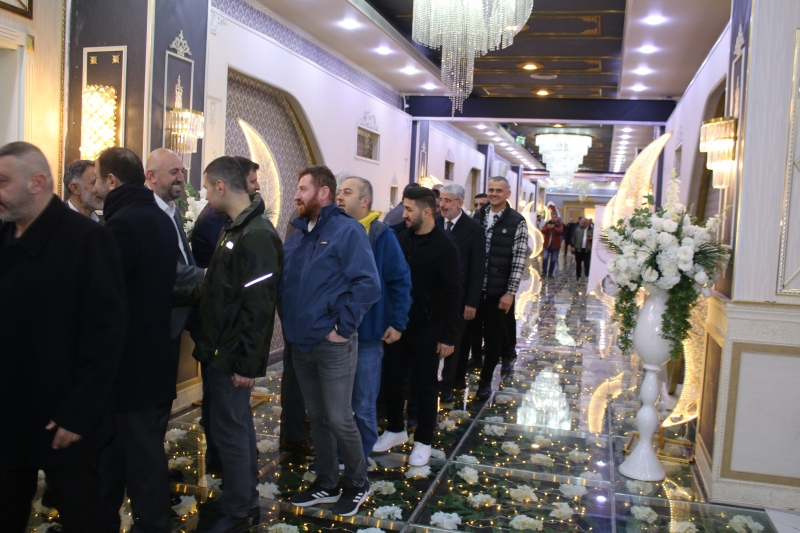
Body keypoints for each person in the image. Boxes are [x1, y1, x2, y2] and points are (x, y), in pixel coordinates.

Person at [0, 142, 126, 533]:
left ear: (36, 182)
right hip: (10, 411)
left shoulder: (86, 239)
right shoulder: (4, 236)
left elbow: (106, 334)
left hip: (66, 417)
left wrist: (80, 411)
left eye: (3, 182)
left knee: (84, 516)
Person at [175, 156, 283, 532]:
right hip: (219, 347)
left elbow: (259, 309)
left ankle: (241, 508)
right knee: (229, 426)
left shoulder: (258, 235)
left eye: (207, 188)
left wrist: (247, 366)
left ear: (221, 186)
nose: (205, 195)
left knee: (231, 429)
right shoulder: (235, 227)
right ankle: (241, 498)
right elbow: (217, 287)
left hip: (231, 354)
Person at [282, 166, 380, 516]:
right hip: (301, 343)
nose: (296, 195)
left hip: (333, 343)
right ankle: (326, 481)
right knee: (318, 417)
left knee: (340, 418)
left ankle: (357, 482)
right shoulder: (297, 233)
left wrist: (342, 327)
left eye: (302, 188)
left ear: (323, 193)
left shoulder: (346, 230)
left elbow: (368, 284)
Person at [94, 147, 178, 533]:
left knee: (141, 459)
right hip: (153, 352)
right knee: (120, 452)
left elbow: (104, 296)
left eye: (97, 180)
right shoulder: (158, 218)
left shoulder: (124, 224)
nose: (95, 188)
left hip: (129, 360)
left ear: (112, 181)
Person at [373, 186, 461, 466]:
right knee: (392, 379)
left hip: (429, 327)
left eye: (409, 209)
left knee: (425, 386)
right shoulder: (400, 238)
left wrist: (448, 336)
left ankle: (423, 440)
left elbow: (454, 294)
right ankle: (394, 429)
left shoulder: (446, 246)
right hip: (399, 323)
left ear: (427, 212)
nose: (404, 214)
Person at [335, 175, 412, 461]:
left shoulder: (381, 235)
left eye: (347, 192)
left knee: (363, 403)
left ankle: (359, 460)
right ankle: (338, 456)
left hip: (367, 334)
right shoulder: (333, 229)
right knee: (336, 403)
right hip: (334, 333)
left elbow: (400, 280)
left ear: (365, 201)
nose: (340, 197)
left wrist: (398, 322)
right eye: (339, 192)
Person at [474, 177, 528, 400]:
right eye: (491, 190)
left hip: (498, 291)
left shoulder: (517, 221)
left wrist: (510, 292)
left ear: (507, 194)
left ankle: (485, 381)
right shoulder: (478, 216)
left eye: (498, 190)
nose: (494, 194)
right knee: (470, 335)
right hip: (475, 289)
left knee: (493, 337)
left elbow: (518, 260)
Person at [436, 183, 486, 402]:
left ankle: (448, 384)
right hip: (435, 297)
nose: (442, 204)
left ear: (459, 203)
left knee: (453, 344)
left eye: (447, 201)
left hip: (460, 298)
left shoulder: (474, 229)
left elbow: (477, 269)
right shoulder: (435, 223)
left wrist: (472, 302)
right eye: (441, 200)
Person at [191, 156, 260, 268]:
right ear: (239, 181)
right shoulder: (216, 218)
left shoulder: (255, 225)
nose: (258, 186)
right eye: (252, 181)